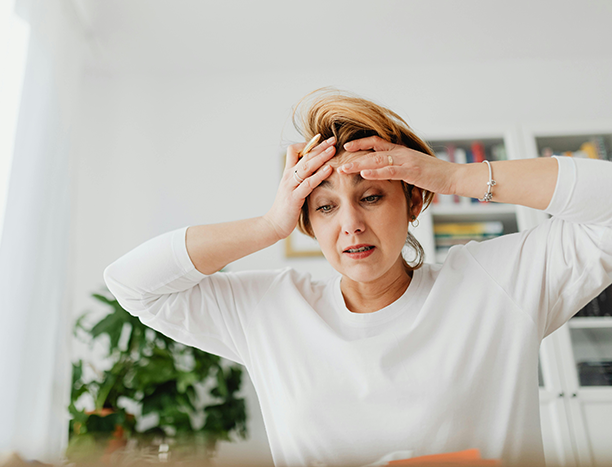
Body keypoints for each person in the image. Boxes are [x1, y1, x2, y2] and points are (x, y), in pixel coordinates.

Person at [103, 89, 612, 467]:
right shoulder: (270, 311)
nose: (351, 224)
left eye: (371, 196)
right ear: (308, 222)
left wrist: (453, 177)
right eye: (324, 207)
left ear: (412, 199)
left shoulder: (495, 284)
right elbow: (131, 282)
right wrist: (269, 226)